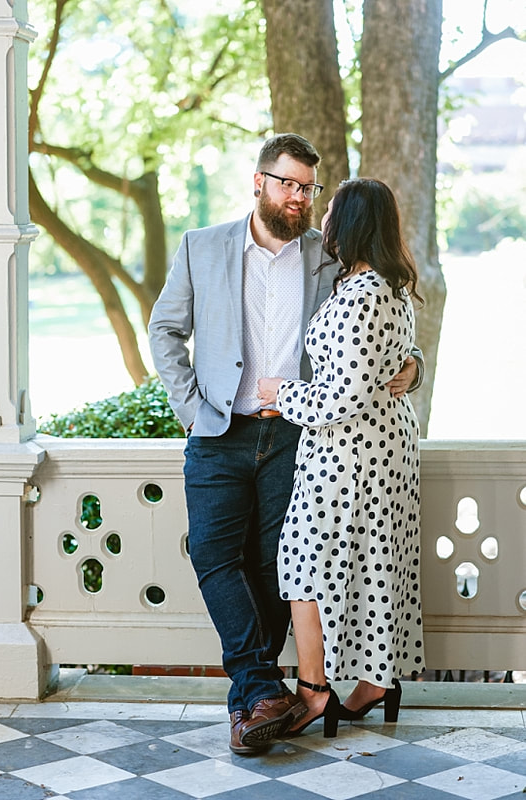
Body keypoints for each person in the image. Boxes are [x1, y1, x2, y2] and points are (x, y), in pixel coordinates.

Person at [147, 133, 421, 755]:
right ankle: (259, 686)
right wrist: (192, 408)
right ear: (259, 180)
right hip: (219, 431)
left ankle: (257, 699)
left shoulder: (329, 258)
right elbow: (165, 330)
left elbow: (382, 321)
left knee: (279, 566)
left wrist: (415, 365)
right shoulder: (202, 246)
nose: (297, 197)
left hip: (298, 435)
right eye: (287, 183)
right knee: (213, 555)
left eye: (308, 187)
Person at [257, 178, 425, 738]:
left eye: (331, 212)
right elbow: (392, 359)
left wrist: (279, 392)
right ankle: (375, 682)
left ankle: (314, 691)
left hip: (352, 454)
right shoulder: (388, 287)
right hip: (381, 448)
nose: (323, 220)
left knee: (303, 564)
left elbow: (339, 397)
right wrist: (414, 366)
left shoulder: (362, 294)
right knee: (374, 564)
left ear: (350, 223)